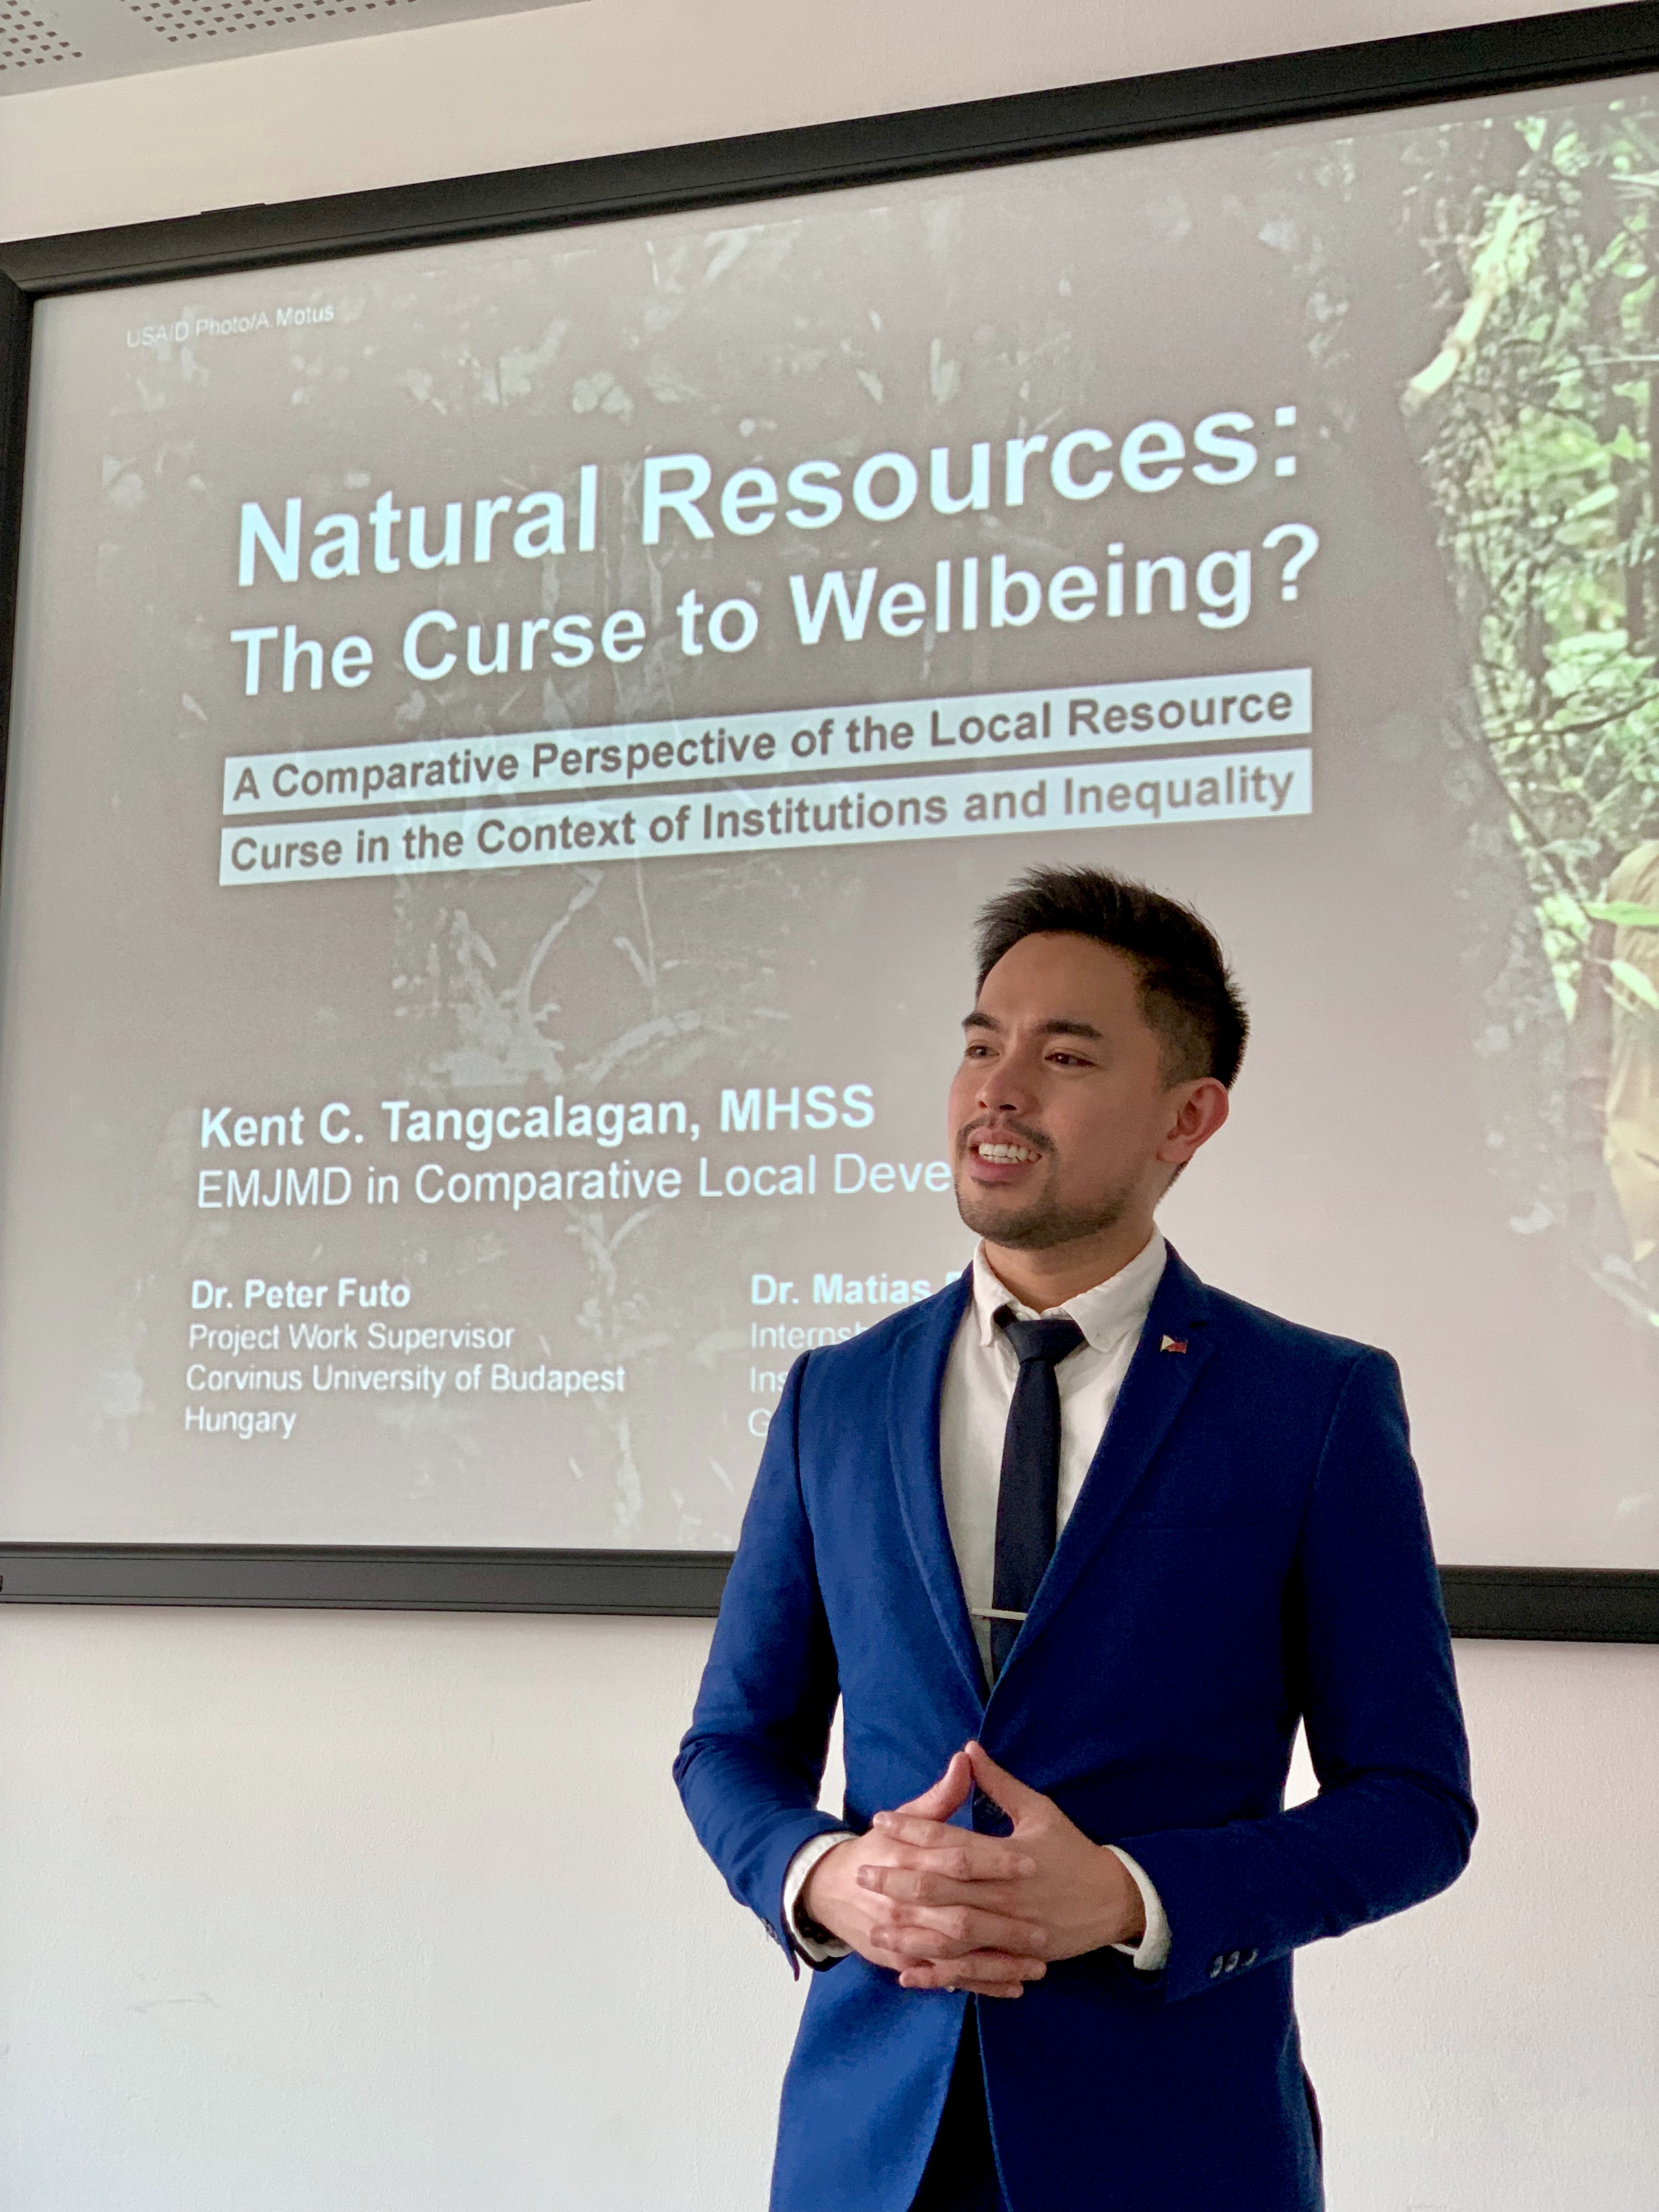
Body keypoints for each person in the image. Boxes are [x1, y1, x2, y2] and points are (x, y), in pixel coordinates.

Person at [675, 865, 1475, 2212]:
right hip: (869, 2149)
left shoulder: (1312, 1405)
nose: (998, 1091)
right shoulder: (839, 1396)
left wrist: (1126, 1895)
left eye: (1064, 1056)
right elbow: (730, 1747)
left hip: (1176, 2148)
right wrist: (827, 1878)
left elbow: (1414, 1805)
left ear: (1188, 1116)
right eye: (980, 1045)